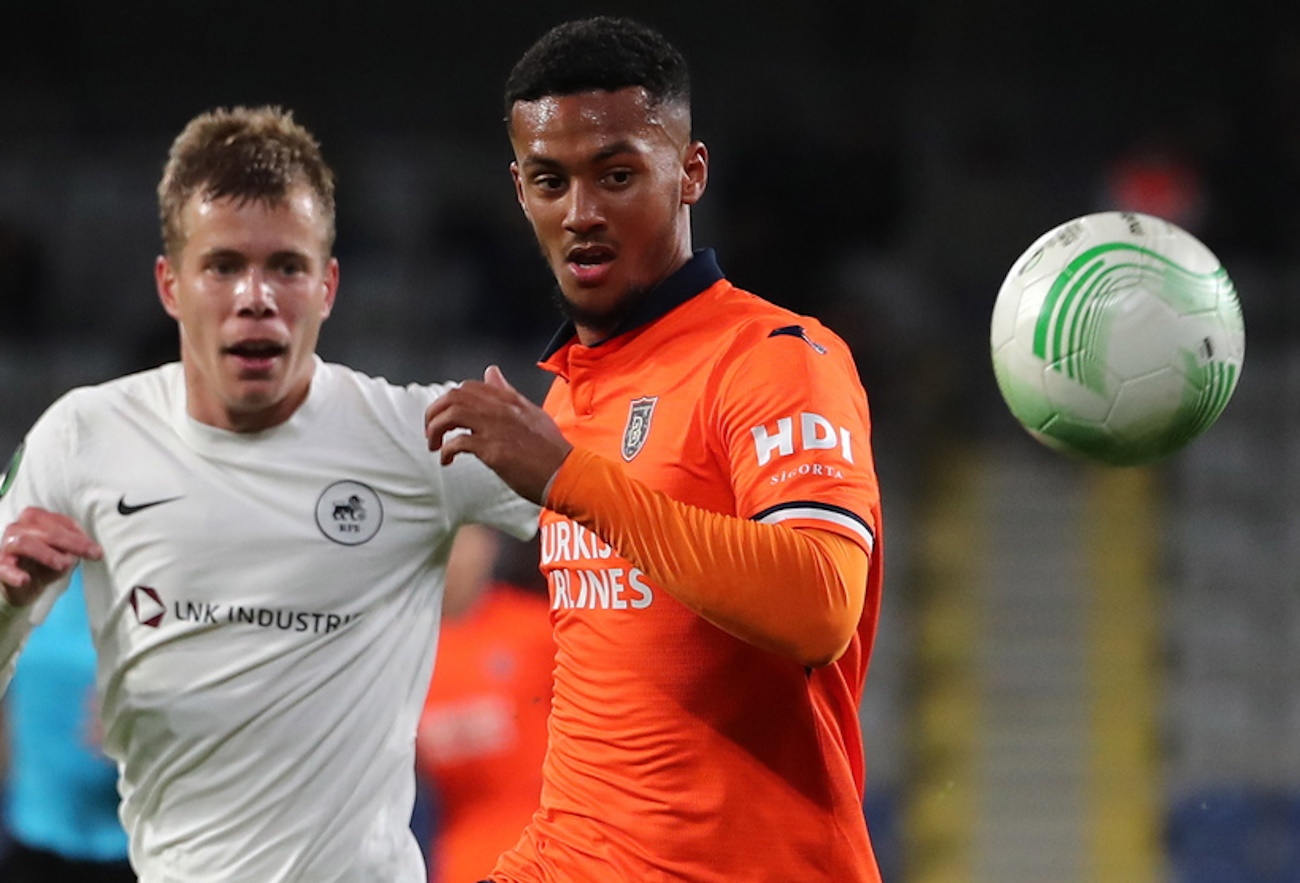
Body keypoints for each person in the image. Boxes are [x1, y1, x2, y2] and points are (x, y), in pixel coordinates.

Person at [0, 105, 538, 882]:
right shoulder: (82, 437)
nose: (255, 296)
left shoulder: (422, 437)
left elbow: (633, 526)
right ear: (170, 285)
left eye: (286, 266)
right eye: (221, 266)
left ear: (327, 286)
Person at [425, 16, 886, 882]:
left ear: (691, 173)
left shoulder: (777, 358)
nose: (582, 212)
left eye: (619, 174)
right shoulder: (571, 394)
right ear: (519, 190)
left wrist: (568, 476)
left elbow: (819, 604)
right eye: (550, 181)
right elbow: (611, 743)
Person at [415, 525, 551, 883]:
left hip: (551, 843)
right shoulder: (408, 657)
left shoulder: (539, 629)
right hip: (462, 856)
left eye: (465, 542)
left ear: (489, 547)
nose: (455, 558)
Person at [0, 568, 134, 883]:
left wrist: (153, 722)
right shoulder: (21, 554)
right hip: (30, 837)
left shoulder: (157, 579)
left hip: (132, 850)